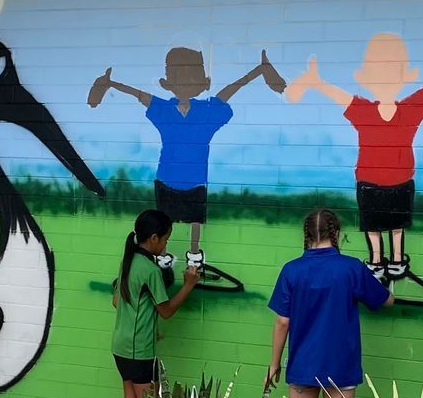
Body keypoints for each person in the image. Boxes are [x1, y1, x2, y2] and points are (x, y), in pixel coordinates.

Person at [285, 32, 423, 302]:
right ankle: (377, 260)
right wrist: (316, 82)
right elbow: (340, 96)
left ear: (407, 75)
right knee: (374, 226)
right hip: (371, 183)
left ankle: (395, 259)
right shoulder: (365, 109)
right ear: (364, 78)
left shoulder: (409, 108)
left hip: (397, 182)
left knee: (395, 225)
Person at [88, 45, 284, 289]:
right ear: (168, 83)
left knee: (194, 223)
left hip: (193, 181)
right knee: (165, 223)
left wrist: (257, 71)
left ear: (202, 84)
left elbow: (230, 91)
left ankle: (193, 262)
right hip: (167, 178)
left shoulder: (206, 112)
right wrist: (110, 84)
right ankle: (162, 262)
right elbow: (139, 95)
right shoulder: (166, 109)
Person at [265, 208, 393, 398]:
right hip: (341, 369)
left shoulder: (291, 270)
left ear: (306, 234)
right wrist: (391, 295)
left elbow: (282, 321)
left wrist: (274, 363)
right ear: (336, 232)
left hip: (303, 366)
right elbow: (384, 300)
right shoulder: (351, 268)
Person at [111, 209, 200, 398]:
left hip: (120, 347)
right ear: (153, 238)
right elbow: (166, 310)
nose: (166, 244)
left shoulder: (128, 262)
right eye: (166, 239)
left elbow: (116, 301)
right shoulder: (150, 271)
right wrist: (189, 285)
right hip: (138, 351)